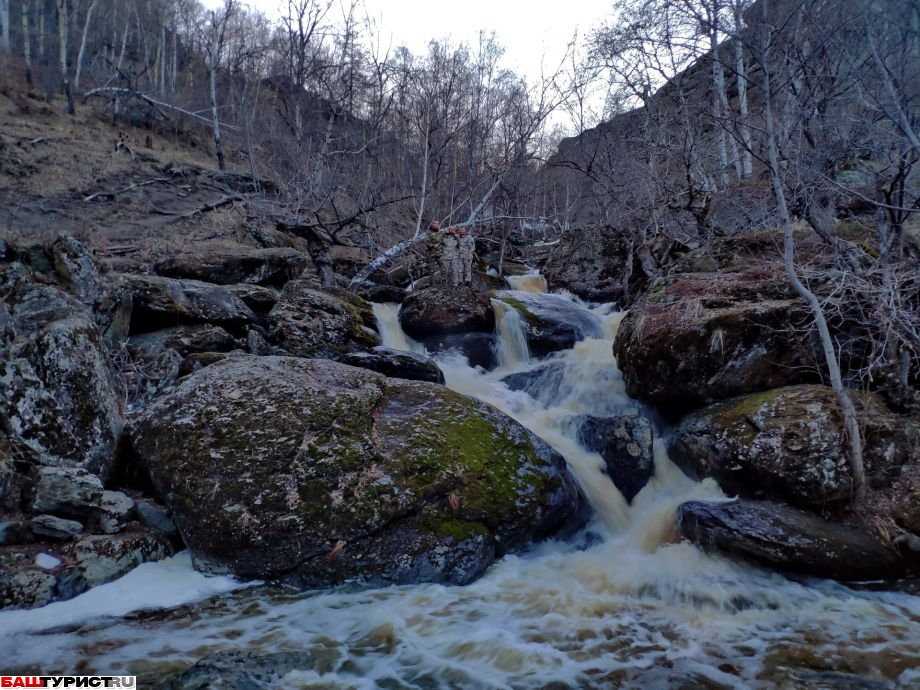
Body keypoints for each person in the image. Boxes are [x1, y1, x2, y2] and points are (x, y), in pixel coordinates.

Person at [426, 220, 445, 286]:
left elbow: (448, 235)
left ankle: (444, 281)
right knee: (431, 269)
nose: (436, 225)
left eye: (438, 224)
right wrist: (435, 245)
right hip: (431, 254)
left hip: (440, 253)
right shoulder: (429, 232)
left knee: (444, 267)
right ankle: (431, 283)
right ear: (432, 224)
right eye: (435, 224)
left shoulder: (441, 232)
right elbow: (427, 243)